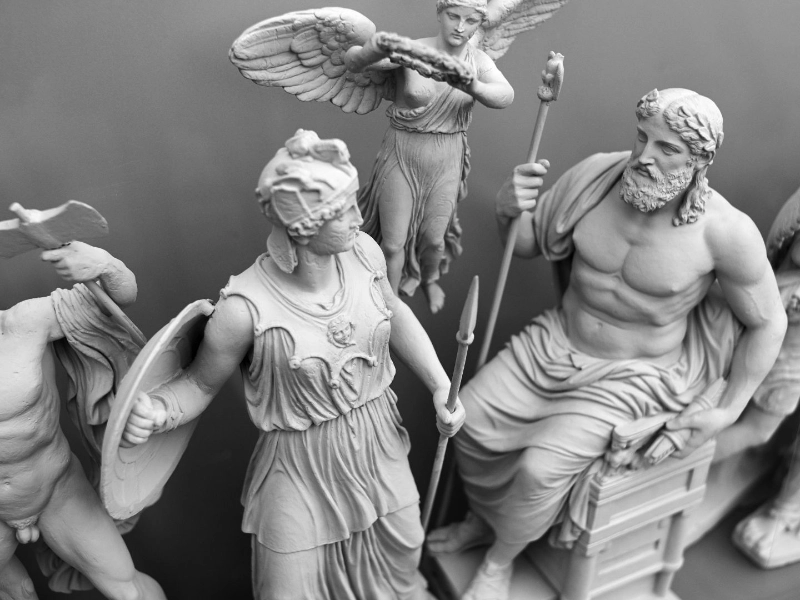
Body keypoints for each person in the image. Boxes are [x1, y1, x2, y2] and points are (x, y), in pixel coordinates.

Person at [427, 88, 787, 600]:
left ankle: (498, 561)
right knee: (467, 421)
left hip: (634, 376)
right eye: (642, 138)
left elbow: (769, 321)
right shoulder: (596, 179)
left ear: (699, 161)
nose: (644, 157)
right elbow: (528, 243)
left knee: (537, 471)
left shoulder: (726, 233)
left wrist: (729, 410)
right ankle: (487, 523)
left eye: (667, 149)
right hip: (554, 342)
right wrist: (510, 212)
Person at [121, 130, 465, 600]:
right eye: (343, 211)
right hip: (299, 464)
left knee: (401, 562)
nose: (359, 217)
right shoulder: (243, 309)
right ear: (304, 227)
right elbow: (198, 384)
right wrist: (158, 411)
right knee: (287, 591)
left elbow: (395, 312)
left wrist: (440, 384)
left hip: (377, 440)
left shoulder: (364, 254)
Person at [0, 241, 166, 599]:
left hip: (55, 488)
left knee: (128, 589)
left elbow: (115, 299)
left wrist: (104, 264)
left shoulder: (23, 324)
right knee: (17, 593)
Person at [353, 0, 514, 313]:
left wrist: (473, 85)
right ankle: (392, 309)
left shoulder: (477, 60)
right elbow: (356, 62)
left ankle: (429, 279)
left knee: (435, 240)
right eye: (453, 16)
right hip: (403, 150)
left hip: (447, 155)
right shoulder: (412, 51)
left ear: (479, 23)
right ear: (440, 14)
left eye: (470, 21)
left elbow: (505, 95)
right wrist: (375, 48)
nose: (460, 27)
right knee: (393, 243)